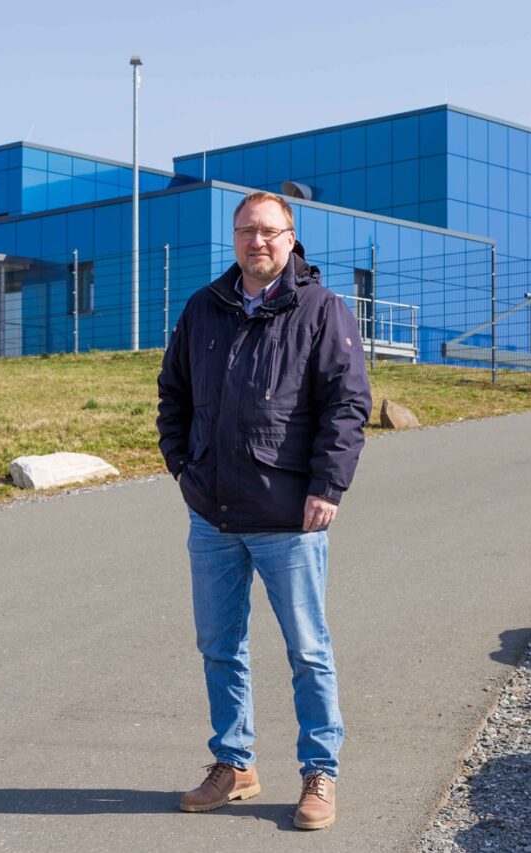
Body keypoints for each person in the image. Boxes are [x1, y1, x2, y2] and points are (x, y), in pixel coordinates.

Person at [156, 190, 372, 831]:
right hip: (212, 514)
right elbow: (174, 393)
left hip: (290, 518)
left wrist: (327, 488)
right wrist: (182, 466)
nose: (258, 242)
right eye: (247, 231)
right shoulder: (204, 308)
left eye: (270, 232)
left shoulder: (321, 310)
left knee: (308, 650)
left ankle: (319, 773)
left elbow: (347, 407)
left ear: (291, 236)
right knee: (220, 646)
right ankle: (234, 765)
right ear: (234, 237)